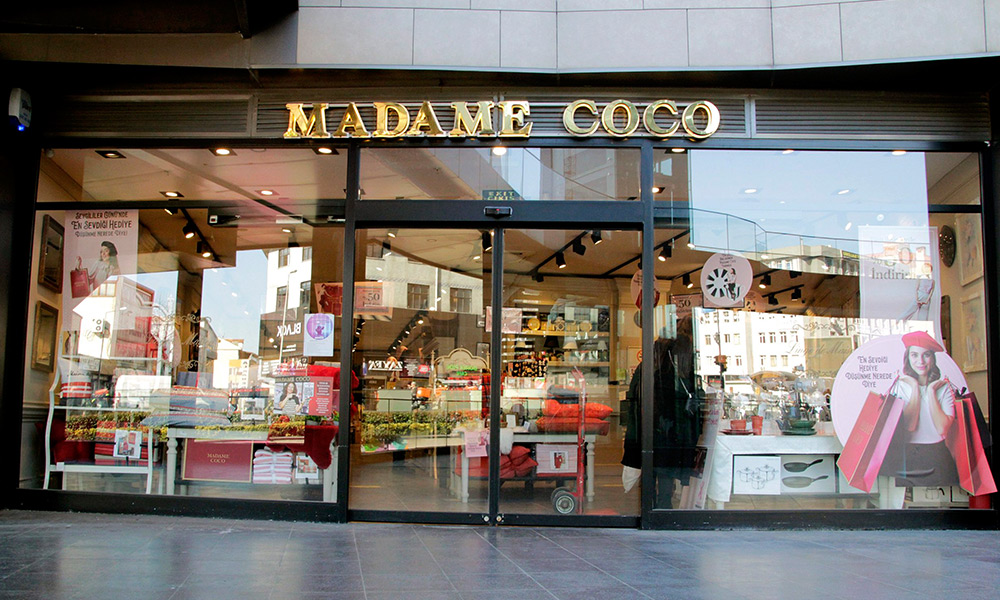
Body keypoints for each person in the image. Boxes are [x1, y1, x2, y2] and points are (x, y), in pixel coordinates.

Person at [621, 317, 702, 508]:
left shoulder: (651, 361)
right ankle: (663, 505)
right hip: (668, 424)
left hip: (648, 423)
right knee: (666, 466)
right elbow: (680, 391)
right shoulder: (676, 358)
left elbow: (634, 393)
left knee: (651, 465)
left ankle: (648, 505)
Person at [880, 331, 958, 486]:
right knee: (908, 499)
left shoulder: (943, 387)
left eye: (926, 355)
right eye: (914, 355)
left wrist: (931, 391)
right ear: (908, 358)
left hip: (938, 455)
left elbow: (942, 428)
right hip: (908, 456)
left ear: (933, 358)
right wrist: (915, 387)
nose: (920, 361)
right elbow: (909, 426)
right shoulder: (900, 386)